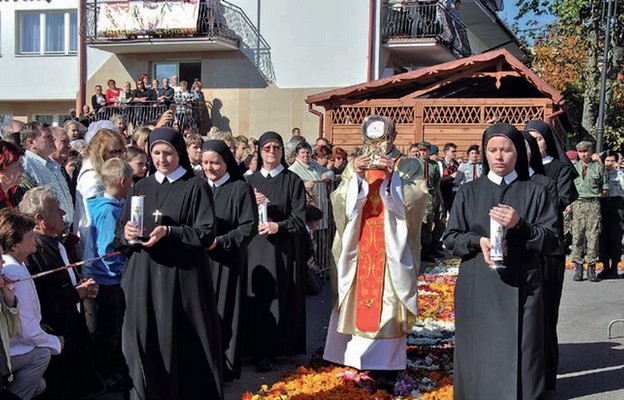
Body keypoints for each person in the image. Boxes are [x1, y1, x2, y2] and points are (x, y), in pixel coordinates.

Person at [443, 123, 559, 400]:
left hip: (523, 282)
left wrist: (521, 225)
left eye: (506, 150)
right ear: (484, 153)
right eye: (492, 150)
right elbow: (451, 238)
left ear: (518, 153)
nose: (499, 156)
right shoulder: (469, 191)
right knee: (477, 353)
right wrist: (477, 242)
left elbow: (551, 239)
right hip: (478, 284)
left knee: (524, 351)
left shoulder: (536, 190)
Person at [115, 127, 222, 399]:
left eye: (168, 153)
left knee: (179, 341)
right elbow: (120, 232)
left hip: (180, 278)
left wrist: (170, 232)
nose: (162, 159)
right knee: (143, 337)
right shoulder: (141, 186)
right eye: (156, 153)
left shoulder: (195, 185)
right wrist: (126, 233)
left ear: (180, 153)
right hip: (143, 276)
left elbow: (206, 232)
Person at [323, 118, 427, 381]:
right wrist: (356, 177)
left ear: (393, 136)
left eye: (385, 138)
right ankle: (355, 359)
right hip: (360, 241)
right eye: (374, 139)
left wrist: (393, 180)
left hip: (392, 243)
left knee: (389, 298)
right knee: (357, 295)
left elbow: (418, 201)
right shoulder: (355, 163)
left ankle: (387, 363)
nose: (381, 144)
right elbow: (339, 202)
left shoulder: (409, 165)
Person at [19, 187, 103, 399]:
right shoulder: (31, 252)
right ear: (40, 219)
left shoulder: (56, 243)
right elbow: (38, 299)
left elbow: (65, 281)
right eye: (57, 210)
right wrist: (76, 294)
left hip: (72, 335)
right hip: (55, 338)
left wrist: (82, 285)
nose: (63, 214)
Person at [245, 131, 307, 371]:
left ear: (283, 151)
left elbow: (299, 219)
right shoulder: (249, 182)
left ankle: (270, 351)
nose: (271, 152)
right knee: (256, 298)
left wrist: (277, 226)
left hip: (281, 249)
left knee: (276, 300)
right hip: (254, 250)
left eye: (276, 148)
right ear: (260, 152)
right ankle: (253, 348)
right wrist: (249, 201)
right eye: (267, 148)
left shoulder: (292, 181)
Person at [525, 119, 578, 390]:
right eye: (528, 137)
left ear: (547, 140)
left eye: (539, 137)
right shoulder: (519, 170)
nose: (534, 143)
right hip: (522, 249)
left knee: (545, 313)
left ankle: (546, 375)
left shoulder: (559, 169)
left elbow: (562, 200)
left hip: (549, 249)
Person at [202, 140, 258, 381]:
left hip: (227, 260)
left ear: (227, 162)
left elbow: (248, 226)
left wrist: (222, 241)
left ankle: (223, 367)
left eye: (215, 162)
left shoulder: (239, 189)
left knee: (225, 312)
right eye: (205, 162)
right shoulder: (198, 187)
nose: (210, 167)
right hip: (201, 260)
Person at [0, 209, 62, 400]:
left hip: (11, 346)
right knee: (42, 355)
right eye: (29, 235)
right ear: (15, 245)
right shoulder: (14, 274)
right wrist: (54, 342)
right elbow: (25, 329)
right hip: (7, 351)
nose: (34, 237)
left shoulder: (17, 267)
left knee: (39, 385)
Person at [83, 158, 132, 390]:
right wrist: (123, 269)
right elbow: (107, 250)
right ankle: (107, 375)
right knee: (108, 331)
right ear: (123, 182)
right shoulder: (108, 212)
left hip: (110, 279)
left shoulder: (110, 207)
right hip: (108, 281)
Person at [74, 129, 126, 258]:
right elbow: (90, 217)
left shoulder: (106, 172)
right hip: (94, 242)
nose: (118, 156)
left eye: (120, 151)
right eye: (113, 152)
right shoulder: (92, 178)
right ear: (100, 152)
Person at [20, 121, 74, 226]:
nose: (53, 139)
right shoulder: (25, 166)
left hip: (64, 229)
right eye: (47, 137)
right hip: (45, 229)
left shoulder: (53, 164)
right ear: (31, 143)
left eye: (52, 136)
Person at [570, 141, 607, 282]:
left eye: (586, 151)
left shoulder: (598, 168)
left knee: (593, 237)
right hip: (578, 204)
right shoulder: (574, 168)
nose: (583, 154)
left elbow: (605, 189)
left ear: (591, 151)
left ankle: (591, 267)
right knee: (577, 236)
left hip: (593, 203)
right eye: (580, 151)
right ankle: (578, 268)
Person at [598, 150, 624, 279]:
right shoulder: (599, 172)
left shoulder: (620, 173)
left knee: (615, 235)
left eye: (612, 161)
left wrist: (620, 172)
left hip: (616, 204)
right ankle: (605, 267)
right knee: (602, 236)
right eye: (607, 161)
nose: (609, 163)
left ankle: (614, 267)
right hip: (602, 204)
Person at [418, 141, 443, 261]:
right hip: (421, 196)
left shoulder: (434, 165)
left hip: (433, 195)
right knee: (426, 223)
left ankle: (434, 246)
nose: (423, 153)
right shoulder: (415, 164)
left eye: (425, 150)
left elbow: (437, 181)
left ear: (429, 151)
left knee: (440, 221)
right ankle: (425, 252)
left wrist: (439, 198)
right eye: (421, 150)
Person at [0, 141, 25, 209]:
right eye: (17, 166)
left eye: (22, 165)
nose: (23, 170)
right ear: (2, 169)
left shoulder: (17, 192)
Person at [439, 143, 459, 212]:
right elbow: (438, 180)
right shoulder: (440, 164)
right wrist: (451, 176)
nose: (455, 153)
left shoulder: (456, 164)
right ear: (446, 152)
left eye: (455, 151)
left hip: (454, 194)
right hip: (443, 194)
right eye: (453, 151)